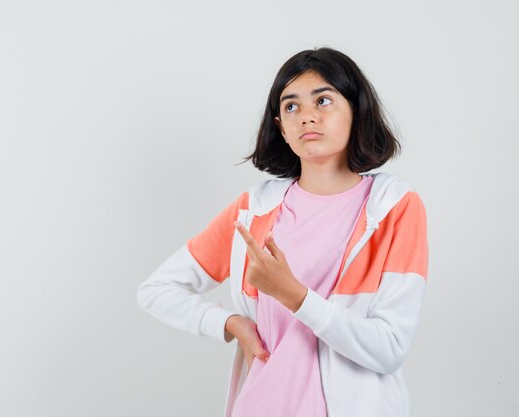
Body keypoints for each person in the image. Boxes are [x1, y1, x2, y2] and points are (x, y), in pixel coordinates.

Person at [137, 46, 429, 417]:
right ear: (279, 126)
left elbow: (388, 349)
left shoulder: (393, 208)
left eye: (323, 100)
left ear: (357, 110)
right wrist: (228, 323)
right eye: (291, 106)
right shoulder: (253, 211)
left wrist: (292, 294)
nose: (307, 116)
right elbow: (156, 290)